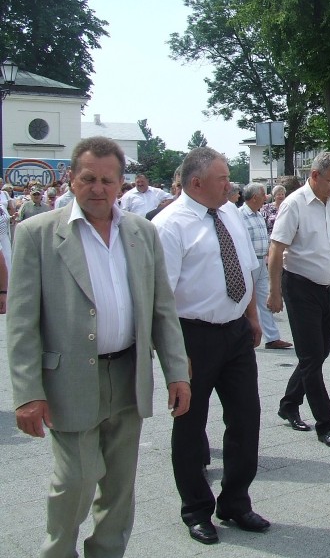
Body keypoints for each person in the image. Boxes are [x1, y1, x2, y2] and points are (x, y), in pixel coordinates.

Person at [7, 136, 191, 558]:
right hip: (69, 379)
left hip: (128, 374)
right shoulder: (37, 234)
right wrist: (28, 394)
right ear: (70, 179)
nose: (98, 188)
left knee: (120, 485)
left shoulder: (142, 232)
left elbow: (163, 309)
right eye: (88, 178)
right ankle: (57, 552)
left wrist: (177, 372)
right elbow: (21, 324)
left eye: (108, 180)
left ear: (121, 184)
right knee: (76, 479)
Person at [154, 146, 269, 546]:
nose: (230, 185)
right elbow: (161, 297)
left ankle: (235, 501)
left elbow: (247, 268)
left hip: (235, 332)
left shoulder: (230, 214)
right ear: (197, 182)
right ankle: (196, 510)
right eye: (223, 178)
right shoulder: (170, 225)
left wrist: (252, 316)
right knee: (189, 424)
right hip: (191, 336)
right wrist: (173, 354)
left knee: (245, 417)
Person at [267, 152, 330, 448]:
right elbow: (276, 251)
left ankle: (289, 403)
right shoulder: (294, 204)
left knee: (317, 353)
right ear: (313, 176)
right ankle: (326, 424)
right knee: (312, 359)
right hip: (301, 287)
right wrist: (274, 292)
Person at [240, 182, 292, 350]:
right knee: (244, 300)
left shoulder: (258, 214)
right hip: (248, 263)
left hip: (261, 261)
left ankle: (272, 337)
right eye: (263, 195)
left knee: (265, 300)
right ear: (255, 197)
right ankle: (243, 336)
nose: (266, 198)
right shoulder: (240, 215)